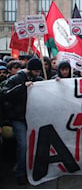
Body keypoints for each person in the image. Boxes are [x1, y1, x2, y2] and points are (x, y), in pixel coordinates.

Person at [1, 57, 44, 185]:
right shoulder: (16, 79)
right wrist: (22, 87)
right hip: (18, 118)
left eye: (39, 72)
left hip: (33, 117)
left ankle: (34, 169)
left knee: (35, 144)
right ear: (29, 70)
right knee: (24, 145)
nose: (38, 74)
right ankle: (21, 173)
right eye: (36, 71)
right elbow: (4, 94)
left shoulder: (38, 79)